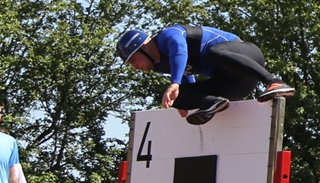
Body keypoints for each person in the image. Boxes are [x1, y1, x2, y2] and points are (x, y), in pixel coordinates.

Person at [115, 26, 296, 127]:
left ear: (144, 47)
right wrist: (189, 99)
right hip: (236, 84)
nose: (135, 67)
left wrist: (175, 83)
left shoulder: (167, 36)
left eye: (133, 60)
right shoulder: (158, 66)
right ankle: (211, 102)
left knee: (212, 53)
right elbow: (186, 72)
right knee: (172, 97)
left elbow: (180, 52)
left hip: (247, 59)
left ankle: (274, 81)